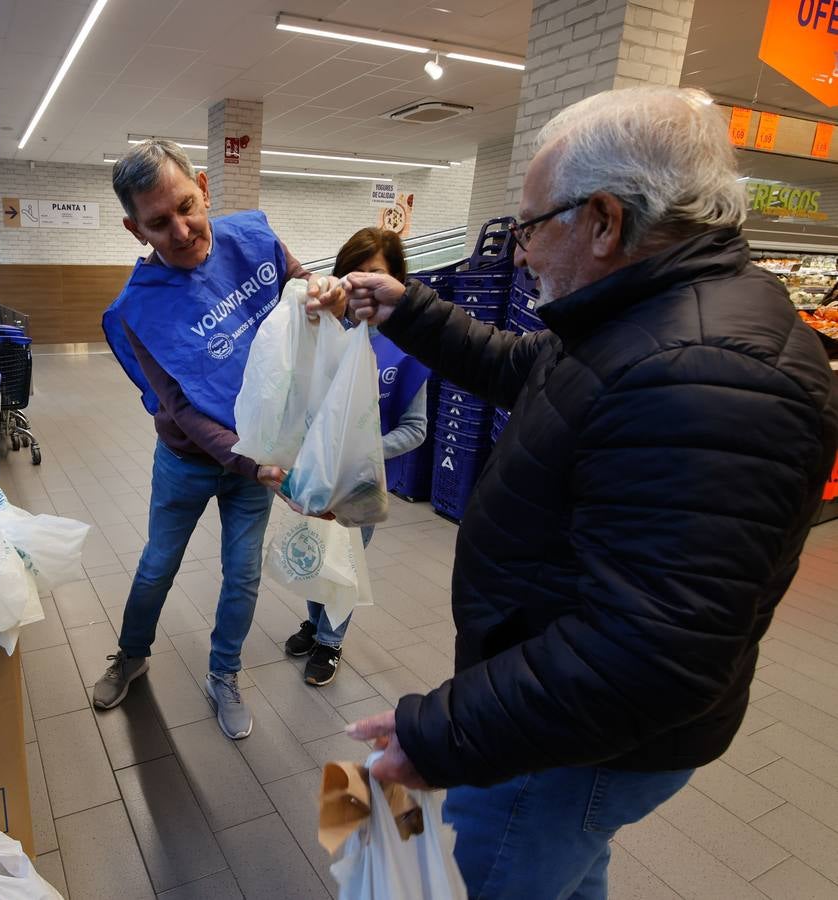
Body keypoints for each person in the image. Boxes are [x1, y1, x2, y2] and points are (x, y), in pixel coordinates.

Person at [333, 85, 838, 898]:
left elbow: (649, 655)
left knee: (504, 875)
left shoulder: (704, 370)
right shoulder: (648, 316)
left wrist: (443, 732)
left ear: (603, 220)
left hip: (573, 748)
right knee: (568, 873)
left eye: (533, 226)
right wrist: (409, 309)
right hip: (565, 720)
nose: (522, 252)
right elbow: (526, 369)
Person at [94, 139, 346, 740]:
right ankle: (131, 654)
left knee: (242, 574)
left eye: (187, 206)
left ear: (203, 188)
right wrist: (249, 460)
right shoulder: (140, 310)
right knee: (158, 565)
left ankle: (224, 674)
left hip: (261, 451)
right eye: (159, 222)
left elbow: (302, 289)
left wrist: (327, 292)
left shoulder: (254, 241)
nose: (181, 231)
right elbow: (178, 407)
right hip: (189, 461)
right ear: (136, 230)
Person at [284, 227, 429, 686]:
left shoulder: (408, 349)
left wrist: (361, 451)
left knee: (344, 563)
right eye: (355, 272)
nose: (363, 282)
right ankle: (314, 622)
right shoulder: (328, 334)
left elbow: (416, 430)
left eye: (376, 274)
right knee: (313, 554)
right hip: (313, 475)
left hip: (361, 482)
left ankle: (330, 642)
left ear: (395, 280)